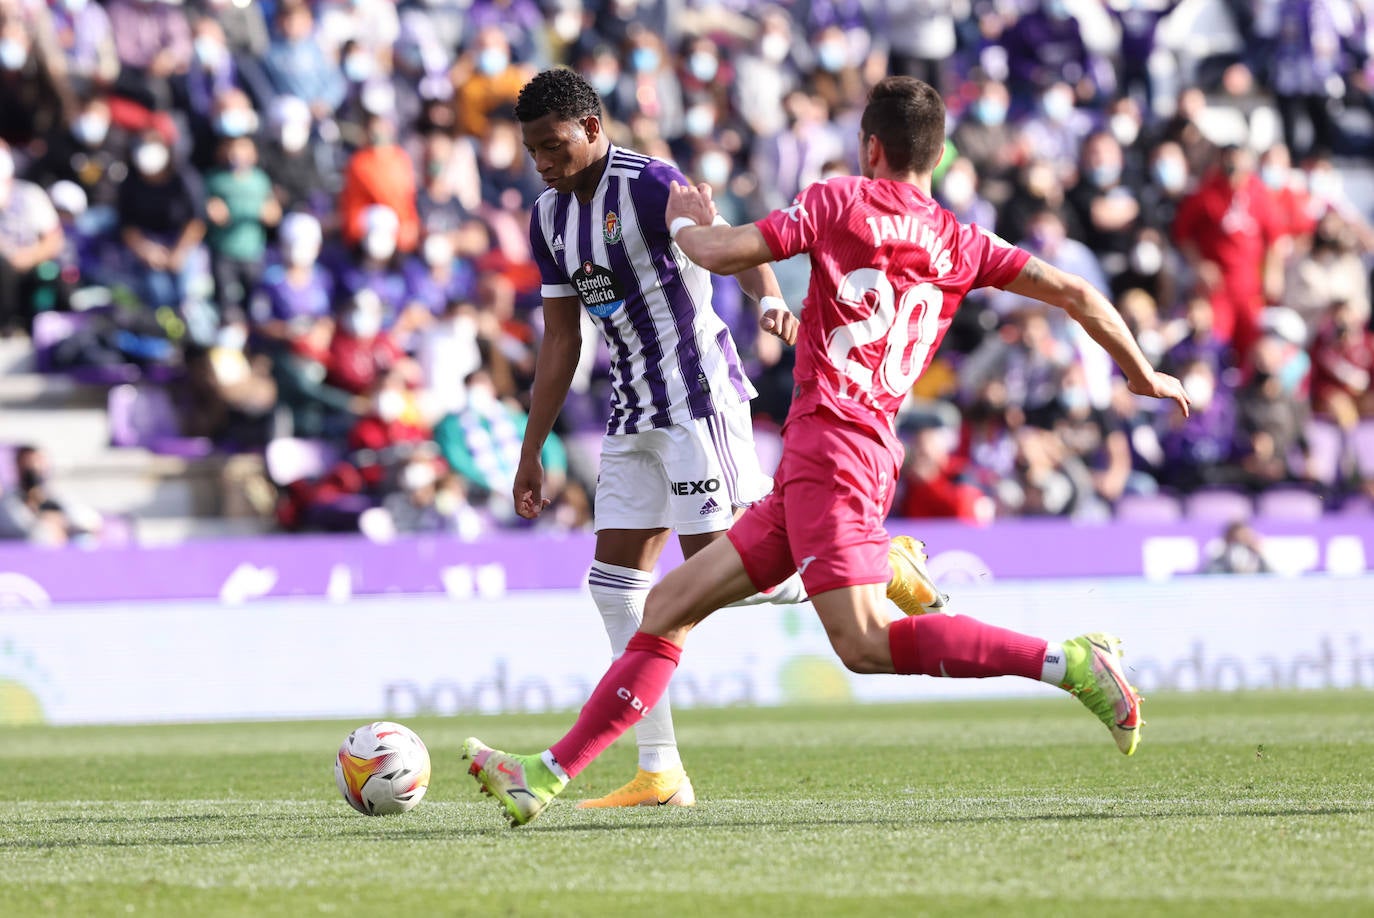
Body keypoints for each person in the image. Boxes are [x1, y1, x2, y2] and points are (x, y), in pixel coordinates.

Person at [463, 76, 1191, 827]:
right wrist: (1140, 373)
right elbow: (1076, 292)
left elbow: (721, 251)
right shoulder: (962, 239)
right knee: (668, 603)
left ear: (870, 147)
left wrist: (686, 225)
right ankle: (544, 776)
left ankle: (1068, 663)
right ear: (936, 158)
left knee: (865, 643)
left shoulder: (838, 201)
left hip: (833, 450)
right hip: (841, 450)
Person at [498, 69, 948, 812]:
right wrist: (532, 450)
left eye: (554, 146)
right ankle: (659, 770)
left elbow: (732, 247)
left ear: (592, 129)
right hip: (630, 412)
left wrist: (771, 303)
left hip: (698, 399)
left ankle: (875, 559)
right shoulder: (549, 218)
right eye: (533, 151)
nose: (543, 162)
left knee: (720, 573)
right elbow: (558, 340)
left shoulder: (651, 184)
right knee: (614, 588)